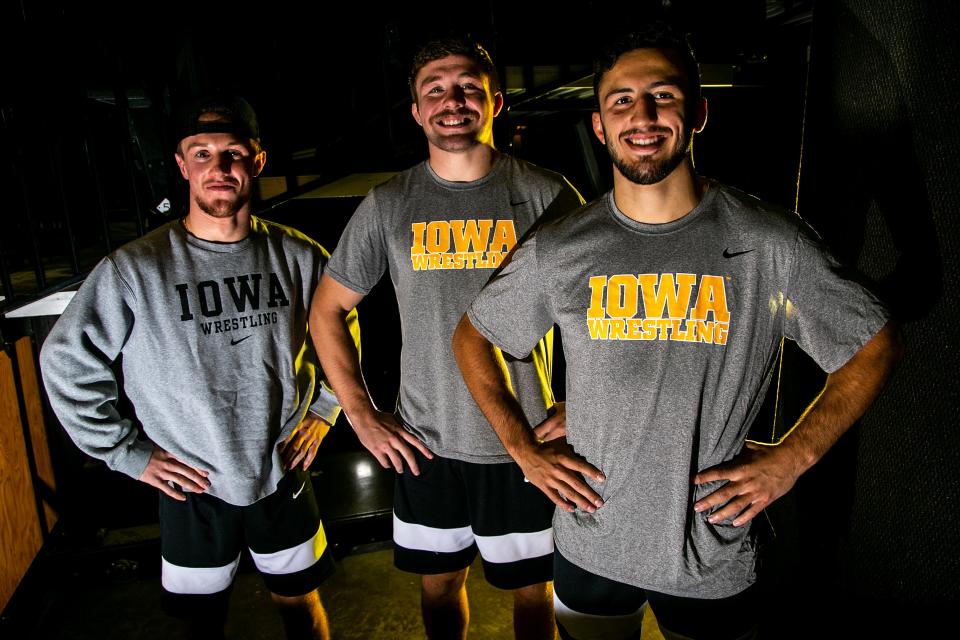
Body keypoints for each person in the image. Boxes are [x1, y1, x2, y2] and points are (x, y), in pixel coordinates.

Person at [452, 21, 902, 640]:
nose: (642, 115)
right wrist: (523, 449)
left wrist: (793, 458)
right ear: (599, 126)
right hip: (590, 540)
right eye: (621, 101)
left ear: (698, 112)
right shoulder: (562, 248)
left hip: (709, 548)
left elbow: (873, 343)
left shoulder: (766, 241)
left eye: (662, 95)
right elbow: (473, 337)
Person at [40, 94, 356, 640]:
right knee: (203, 625)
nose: (219, 167)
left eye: (233, 152)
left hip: (281, 469)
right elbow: (66, 359)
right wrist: (125, 451)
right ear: (182, 165)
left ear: (256, 161)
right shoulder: (135, 269)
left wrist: (328, 407)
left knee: (301, 607)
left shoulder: (300, 255)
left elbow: (343, 331)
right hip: (192, 484)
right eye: (202, 153)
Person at [309, 35, 584, 640]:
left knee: (535, 597)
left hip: (525, 442)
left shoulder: (547, 194)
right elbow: (326, 310)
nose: (451, 100)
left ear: (495, 101)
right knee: (438, 588)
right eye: (434, 89)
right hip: (426, 443)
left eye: (466, 86)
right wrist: (360, 414)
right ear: (415, 110)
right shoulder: (390, 203)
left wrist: (584, 404)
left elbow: (599, 311)